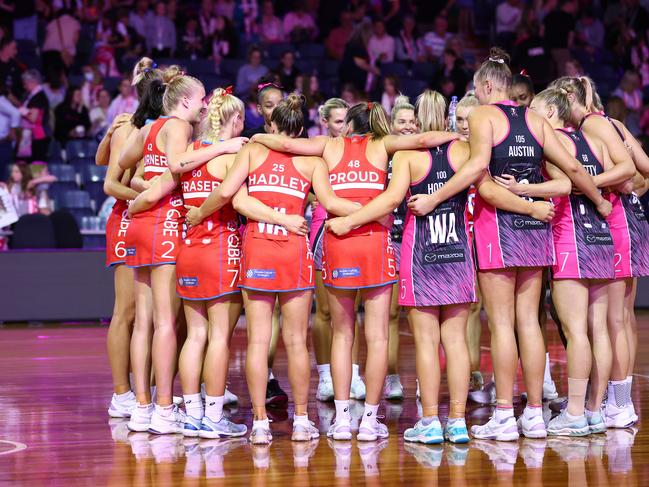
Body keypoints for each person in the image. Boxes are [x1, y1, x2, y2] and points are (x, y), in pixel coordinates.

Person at [409, 48, 611, 442]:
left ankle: (504, 414)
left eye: (476, 90)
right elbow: (570, 169)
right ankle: (534, 413)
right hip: (536, 229)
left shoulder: (486, 115)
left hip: (499, 226)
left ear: (486, 86)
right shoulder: (535, 118)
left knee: (502, 324)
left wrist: (434, 198)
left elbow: (474, 166)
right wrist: (598, 199)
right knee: (528, 323)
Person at [251, 101, 460, 441]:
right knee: (377, 337)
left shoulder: (330, 145)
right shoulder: (383, 144)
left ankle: (343, 419)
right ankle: (370, 421)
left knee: (342, 334)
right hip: (374, 243)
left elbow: (287, 144)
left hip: (339, 241)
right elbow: (424, 141)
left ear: (347, 126)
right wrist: (458, 134)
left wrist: (255, 137)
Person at [185, 93, 363, 444]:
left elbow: (234, 198)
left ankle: (261, 424)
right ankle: (299, 421)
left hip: (257, 251)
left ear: (272, 124)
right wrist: (369, 208)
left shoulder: (252, 151)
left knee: (258, 341)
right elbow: (329, 203)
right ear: (300, 128)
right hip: (292, 252)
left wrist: (198, 214)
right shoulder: (312, 162)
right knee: (297, 342)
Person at [127, 87, 258, 439]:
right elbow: (237, 200)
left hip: (187, 251)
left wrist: (132, 209)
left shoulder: (190, 155)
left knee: (195, 335)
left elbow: (152, 191)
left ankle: (192, 412)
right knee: (218, 337)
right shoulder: (232, 156)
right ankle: (214, 417)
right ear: (236, 120)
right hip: (220, 248)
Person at [498, 87, 619, 435]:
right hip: (599, 234)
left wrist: (523, 189)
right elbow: (622, 172)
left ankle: (577, 412)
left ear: (550, 112)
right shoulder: (590, 141)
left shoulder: (555, 144)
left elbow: (565, 183)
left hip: (572, 238)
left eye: (535, 111)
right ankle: (596, 408)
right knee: (598, 329)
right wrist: (601, 200)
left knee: (576, 330)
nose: (530, 119)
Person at [551, 76, 649, 428]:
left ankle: (616, 403)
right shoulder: (614, 122)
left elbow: (626, 171)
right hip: (633, 218)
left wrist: (589, 185)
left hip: (616, 220)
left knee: (613, 320)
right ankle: (615, 399)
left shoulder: (591, 124)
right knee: (622, 318)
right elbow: (642, 171)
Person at [101, 58, 166, 421]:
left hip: (154, 220)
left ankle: (154, 390)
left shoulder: (162, 129)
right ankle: (121, 393)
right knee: (126, 312)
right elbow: (109, 180)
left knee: (156, 315)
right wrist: (143, 195)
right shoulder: (132, 128)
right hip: (129, 219)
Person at [309, 98, 367, 405]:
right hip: (324, 228)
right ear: (326, 123)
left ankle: (353, 374)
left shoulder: (365, 149)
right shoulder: (323, 149)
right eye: (337, 121)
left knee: (350, 310)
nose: (343, 126)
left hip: (358, 227)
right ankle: (325, 376)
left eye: (347, 120)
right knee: (327, 311)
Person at [382, 95, 419, 400]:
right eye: (402, 122)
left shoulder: (424, 153)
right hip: (390, 238)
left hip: (419, 238)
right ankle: (392, 377)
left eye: (412, 122)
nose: (408, 127)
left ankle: (423, 380)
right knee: (392, 314)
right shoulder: (382, 155)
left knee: (423, 314)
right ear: (391, 125)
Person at [19, 70, 50, 163]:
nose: (24, 86)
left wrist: (22, 111)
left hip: (38, 136)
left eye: (25, 84)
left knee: (37, 164)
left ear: (33, 82)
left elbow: (33, 118)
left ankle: (38, 178)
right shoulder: (31, 95)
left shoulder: (39, 97)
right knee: (26, 164)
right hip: (30, 136)